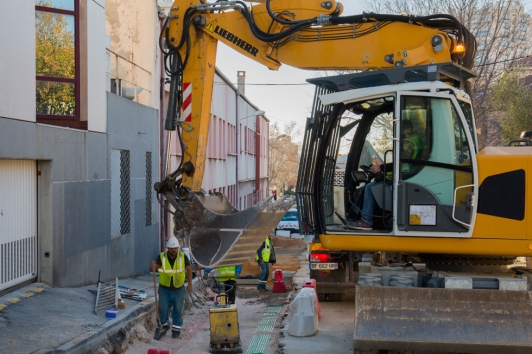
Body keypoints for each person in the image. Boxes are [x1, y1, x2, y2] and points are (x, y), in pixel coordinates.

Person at [348, 120, 422, 231]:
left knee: (370, 187)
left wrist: (381, 168)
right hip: (408, 177)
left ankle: (366, 221)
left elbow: (402, 164)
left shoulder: (409, 143)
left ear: (403, 129)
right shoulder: (417, 141)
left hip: (406, 180)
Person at [150, 237, 193, 339]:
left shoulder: (183, 257)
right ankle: (165, 325)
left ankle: (176, 330)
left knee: (179, 310)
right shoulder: (162, 257)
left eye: (175, 248)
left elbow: (189, 269)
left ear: (178, 248)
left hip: (179, 289)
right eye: (171, 248)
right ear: (167, 248)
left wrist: (190, 284)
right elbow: (156, 267)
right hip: (165, 289)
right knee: (162, 308)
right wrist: (153, 266)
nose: (173, 250)